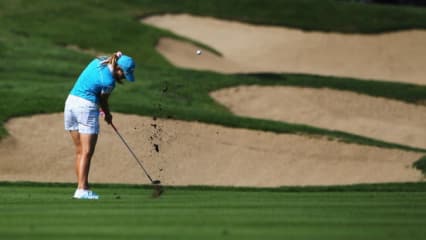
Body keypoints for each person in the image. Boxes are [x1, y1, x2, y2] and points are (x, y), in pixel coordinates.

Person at [64, 51, 135, 199]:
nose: (123, 77)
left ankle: (82, 187)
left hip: (70, 103)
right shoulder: (109, 82)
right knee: (87, 151)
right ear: (118, 68)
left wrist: (118, 54)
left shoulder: (99, 61)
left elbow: (111, 57)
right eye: (124, 74)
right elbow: (103, 101)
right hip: (86, 108)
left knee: (80, 151)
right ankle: (82, 189)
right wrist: (107, 115)